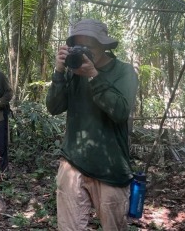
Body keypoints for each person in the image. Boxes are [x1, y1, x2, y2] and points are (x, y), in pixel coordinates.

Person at [46, 19, 138, 230]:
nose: (84, 51)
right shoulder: (74, 72)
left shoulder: (124, 72)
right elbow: (54, 107)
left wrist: (94, 77)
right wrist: (59, 72)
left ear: (104, 45)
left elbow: (121, 112)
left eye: (89, 46)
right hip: (72, 163)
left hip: (111, 169)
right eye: (79, 46)